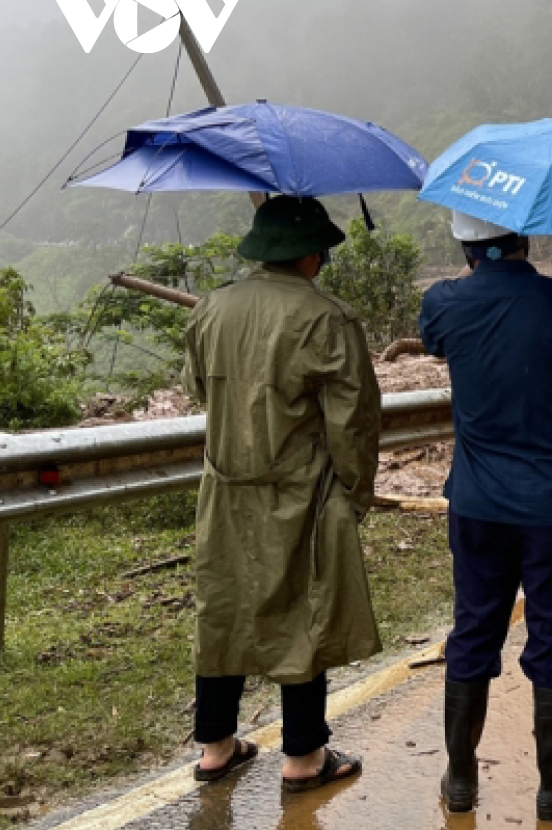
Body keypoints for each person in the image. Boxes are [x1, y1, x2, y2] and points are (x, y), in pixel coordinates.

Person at [419, 212, 552, 819]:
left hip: (478, 505)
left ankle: (460, 779)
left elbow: (436, 341)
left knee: (473, 628)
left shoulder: (443, 303)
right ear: (526, 239)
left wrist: (475, 270)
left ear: (467, 246)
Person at [181, 196, 382, 792]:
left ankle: (217, 747)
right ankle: (303, 758)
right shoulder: (328, 318)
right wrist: (355, 491)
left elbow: (199, 391)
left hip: (223, 489)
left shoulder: (210, 309)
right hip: (301, 490)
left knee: (221, 608)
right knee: (304, 607)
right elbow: (354, 420)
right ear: (312, 255)